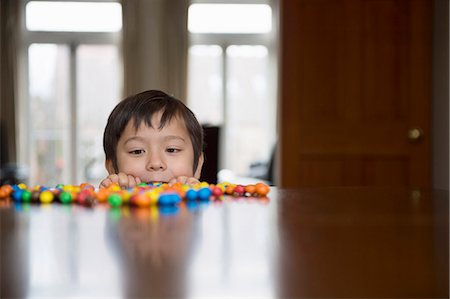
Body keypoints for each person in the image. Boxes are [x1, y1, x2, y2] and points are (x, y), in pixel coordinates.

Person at [100, 90, 204, 188]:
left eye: (172, 149)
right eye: (137, 151)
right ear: (112, 168)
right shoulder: (106, 201)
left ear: (198, 165)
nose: (156, 163)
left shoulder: (208, 202)